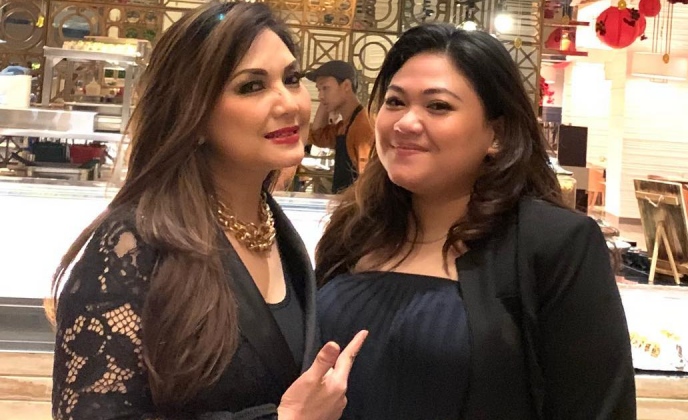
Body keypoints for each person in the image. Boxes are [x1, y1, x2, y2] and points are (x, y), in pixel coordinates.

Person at [48, 3, 366, 419]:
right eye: (252, 86)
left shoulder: (276, 233)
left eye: (291, 79)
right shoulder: (135, 245)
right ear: (193, 112)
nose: (289, 103)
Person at [315, 23, 636, 419]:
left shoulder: (554, 244)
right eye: (395, 102)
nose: (405, 122)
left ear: (496, 134)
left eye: (438, 106)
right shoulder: (354, 228)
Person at [305, 60, 374, 193]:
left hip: (356, 202)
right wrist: (326, 102)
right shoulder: (345, 125)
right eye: (319, 90)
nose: (320, 96)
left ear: (346, 85)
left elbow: (368, 180)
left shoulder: (363, 125)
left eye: (325, 88)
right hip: (345, 201)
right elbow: (318, 136)